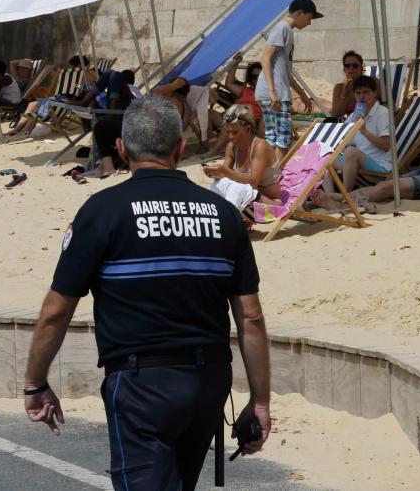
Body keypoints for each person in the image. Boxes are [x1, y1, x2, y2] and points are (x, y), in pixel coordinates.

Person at [23, 94, 271, 491]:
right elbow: (251, 317)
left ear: (121, 149)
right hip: (208, 381)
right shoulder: (223, 214)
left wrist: (36, 383)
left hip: (141, 385)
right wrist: (259, 402)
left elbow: (56, 311)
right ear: (180, 148)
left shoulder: (103, 211)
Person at [255, 0, 320, 160]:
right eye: (309, 18)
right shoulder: (283, 28)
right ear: (300, 13)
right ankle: (276, 173)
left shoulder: (286, 30)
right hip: (274, 94)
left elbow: (286, 72)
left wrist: (303, 94)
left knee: (273, 138)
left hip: (273, 92)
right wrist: (272, 93)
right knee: (283, 140)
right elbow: (265, 58)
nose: (309, 23)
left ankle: (269, 171)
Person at [319, 75, 391, 200]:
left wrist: (364, 131)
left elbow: (386, 146)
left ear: (375, 93)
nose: (362, 96)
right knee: (322, 153)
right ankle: (330, 195)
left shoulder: (382, 113)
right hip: (356, 163)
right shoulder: (354, 115)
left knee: (351, 152)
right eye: (358, 93)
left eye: (366, 92)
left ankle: (345, 196)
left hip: (380, 167)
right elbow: (343, 140)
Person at [203, 105, 283, 208]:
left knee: (238, 188)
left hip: (269, 201)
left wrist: (225, 171)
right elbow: (225, 176)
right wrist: (216, 173)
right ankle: (214, 212)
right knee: (220, 184)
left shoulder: (260, 146)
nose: (230, 136)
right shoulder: (232, 147)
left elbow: (253, 182)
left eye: (235, 132)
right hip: (247, 196)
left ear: (248, 129)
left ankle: (229, 214)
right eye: (228, 132)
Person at [221, 53, 264, 137]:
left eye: (260, 76)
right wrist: (235, 63)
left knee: (243, 110)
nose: (257, 79)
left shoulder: (268, 93)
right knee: (210, 114)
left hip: (249, 121)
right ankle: (205, 143)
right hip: (233, 116)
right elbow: (229, 84)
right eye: (254, 77)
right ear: (251, 79)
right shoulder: (246, 90)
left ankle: (216, 146)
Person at [329, 51, 376, 118]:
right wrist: (344, 94)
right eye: (347, 66)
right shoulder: (339, 88)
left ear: (361, 68)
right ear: (344, 69)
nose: (351, 68)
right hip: (352, 123)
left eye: (355, 65)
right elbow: (336, 114)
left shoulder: (372, 83)